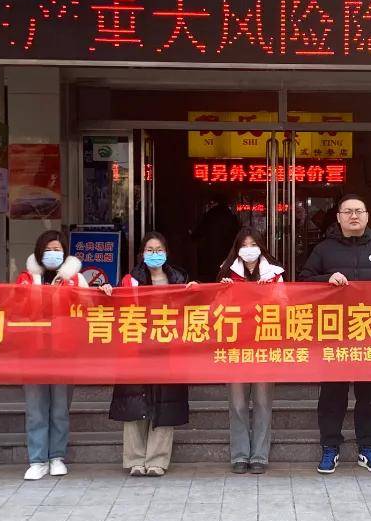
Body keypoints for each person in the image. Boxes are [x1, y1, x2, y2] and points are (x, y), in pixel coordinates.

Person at [299, 194, 371, 474]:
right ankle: (329, 447)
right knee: (332, 394)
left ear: (367, 215)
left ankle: (367, 448)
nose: (354, 216)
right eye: (348, 211)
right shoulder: (324, 249)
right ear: (338, 217)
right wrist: (326, 279)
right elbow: (303, 282)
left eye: (359, 211)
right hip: (335, 333)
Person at [16, 231, 113, 481]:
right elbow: (18, 307)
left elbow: (90, 306)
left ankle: (56, 457)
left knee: (60, 408)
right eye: (48, 249)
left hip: (64, 353)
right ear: (39, 251)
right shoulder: (26, 278)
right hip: (33, 353)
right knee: (36, 409)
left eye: (57, 249)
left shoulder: (75, 278)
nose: (53, 253)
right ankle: (37, 460)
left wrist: (102, 291)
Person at [109, 232, 193, 476]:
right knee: (135, 402)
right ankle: (135, 459)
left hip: (168, 350)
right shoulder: (130, 281)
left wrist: (196, 292)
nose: (154, 254)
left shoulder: (179, 280)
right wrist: (106, 291)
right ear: (142, 254)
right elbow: (114, 308)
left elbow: (192, 309)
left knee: (165, 403)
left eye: (159, 250)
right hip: (137, 349)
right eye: (150, 250)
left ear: (166, 253)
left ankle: (157, 460)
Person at [218, 228, 284, 474]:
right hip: (236, 346)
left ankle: (259, 456)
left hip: (265, 345)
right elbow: (216, 311)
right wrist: (223, 292)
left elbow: (285, 307)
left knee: (263, 402)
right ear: (237, 249)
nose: (249, 249)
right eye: (244, 245)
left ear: (261, 247)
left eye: (253, 244)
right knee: (237, 403)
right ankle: (239, 455)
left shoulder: (275, 274)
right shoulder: (227, 272)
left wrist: (271, 296)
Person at [192, 193, 240, 282]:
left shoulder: (210, 214)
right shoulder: (230, 216)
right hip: (227, 250)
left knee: (211, 276)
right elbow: (236, 234)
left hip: (210, 250)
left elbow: (199, 232)